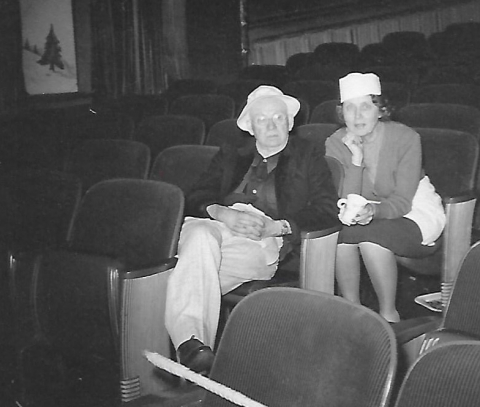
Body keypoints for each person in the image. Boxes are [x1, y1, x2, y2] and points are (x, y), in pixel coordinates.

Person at [165, 85, 339, 375]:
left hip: (261, 240)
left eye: (278, 118)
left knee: (168, 283)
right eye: (262, 120)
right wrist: (222, 213)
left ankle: (192, 348)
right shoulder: (232, 154)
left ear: (289, 122)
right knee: (198, 235)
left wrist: (279, 227)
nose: (271, 126)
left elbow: (326, 209)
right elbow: (195, 196)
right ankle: (194, 355)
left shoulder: (307, 155)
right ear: (251, 127)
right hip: (216, 228)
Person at [325, 72, 445, 323]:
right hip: (370, 212)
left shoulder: (406, 138)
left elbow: (402, 201)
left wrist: (373, 211)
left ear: (380, 110)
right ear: (341, 113)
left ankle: (389, 316)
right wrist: (356, 162)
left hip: (414, 208)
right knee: (339, 237)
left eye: (365, 107)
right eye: (350, 108)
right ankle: (351, 311)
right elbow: (345, 202)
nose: (357, 116)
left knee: (372, 240)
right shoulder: (336, 142)